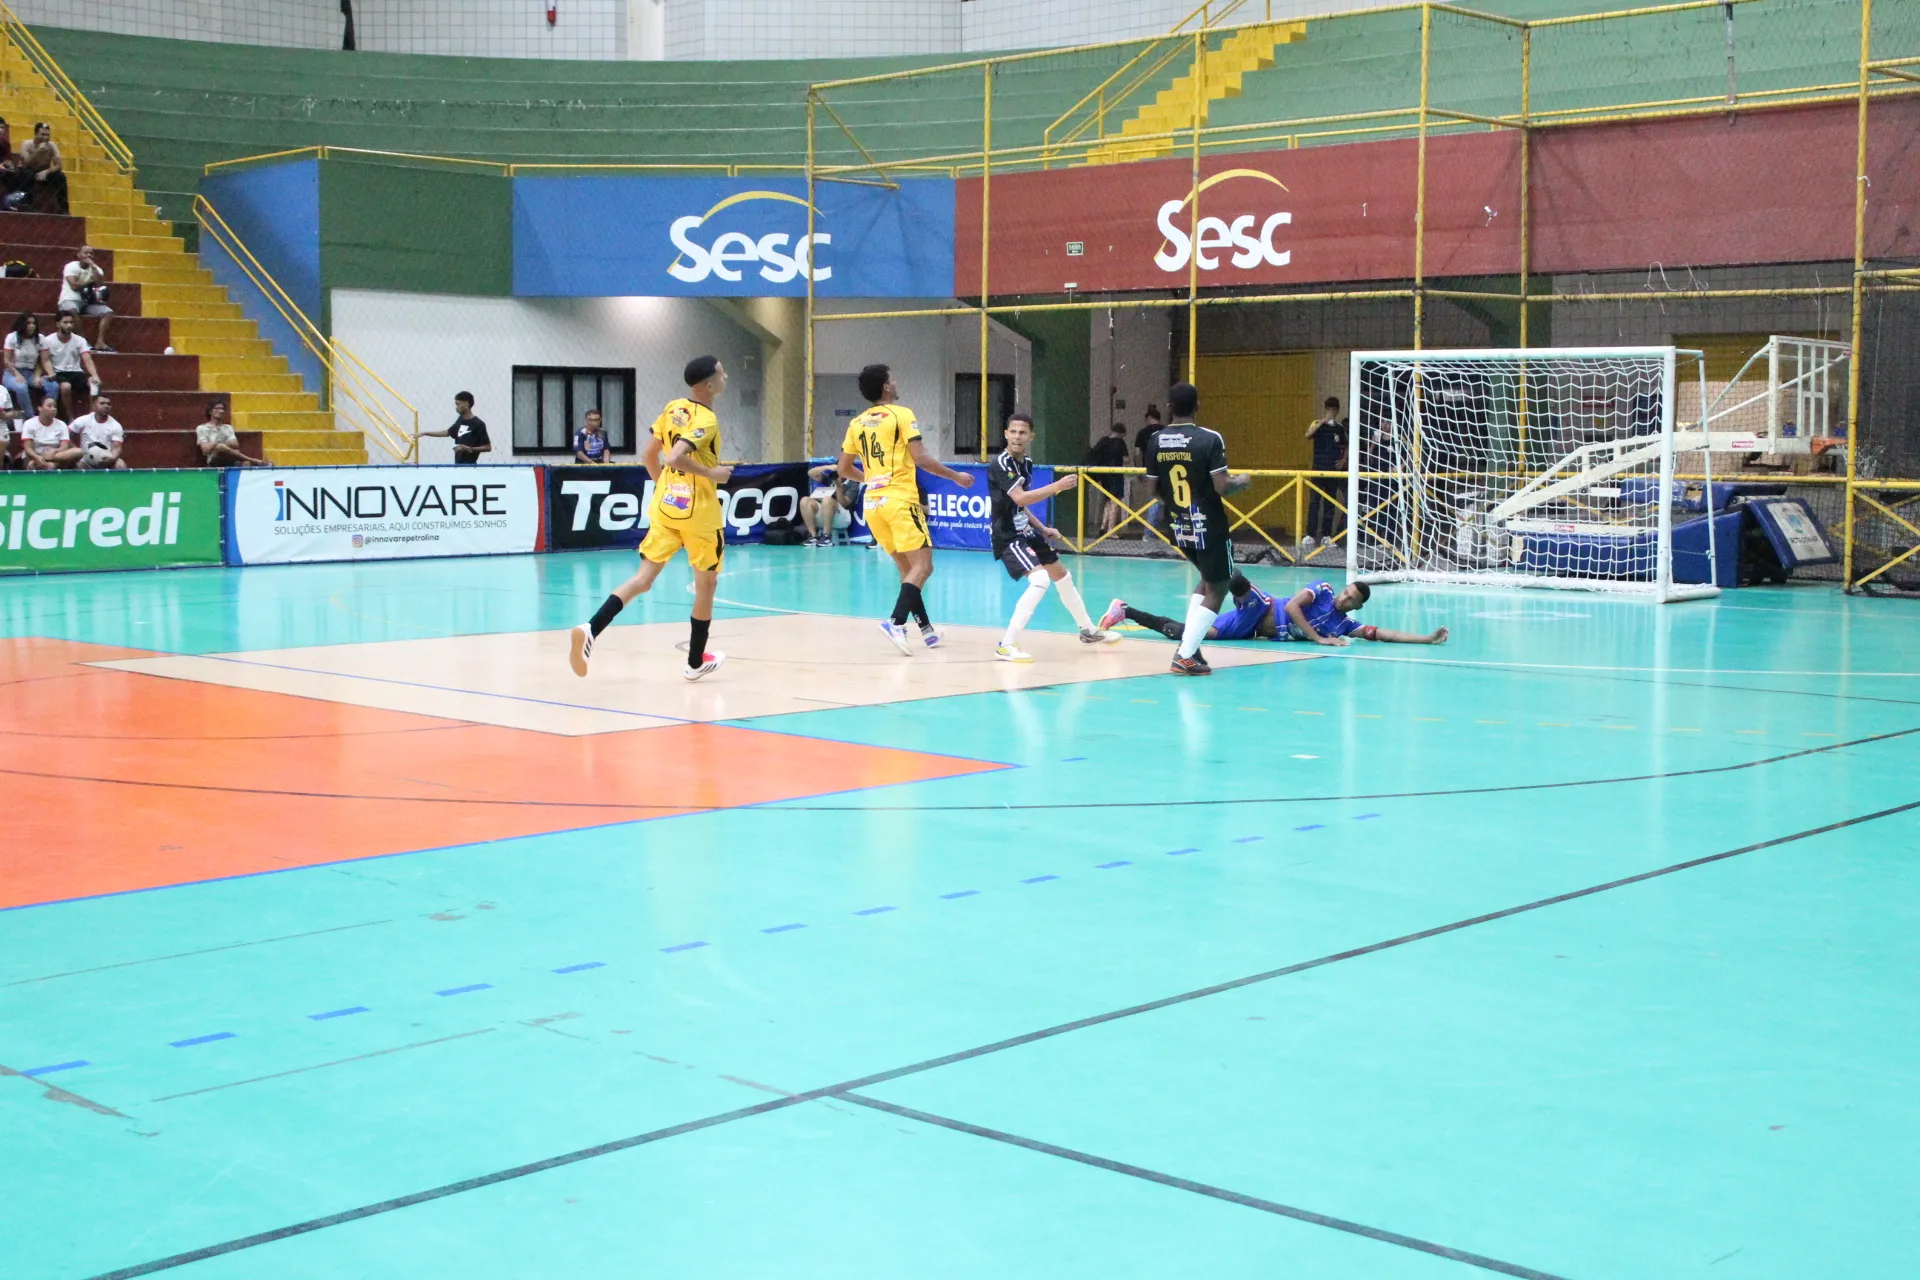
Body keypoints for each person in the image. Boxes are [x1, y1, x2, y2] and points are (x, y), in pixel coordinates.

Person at [569, 356, 732, 683]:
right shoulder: (707, 419)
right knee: (706, 585)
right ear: (708, 384)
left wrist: (664, 486)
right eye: (721, 372)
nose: (725, 376)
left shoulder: (673, 408)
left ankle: (591, 629)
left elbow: (649, 455)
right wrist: (712, 473)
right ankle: (695, 662)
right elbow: (674, 457)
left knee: (643, 579)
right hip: (699, 513)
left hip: (665, 505)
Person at [837, 362, 975, 655]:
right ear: (886, 387)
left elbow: (844, 468)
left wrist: (871, 479)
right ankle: (896, 622)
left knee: (908, 570)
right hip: (900, 501)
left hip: (873, 504)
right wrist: (955, 476)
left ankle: (927, 631)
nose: (897, 382)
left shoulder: (857, 423)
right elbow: (920, 458)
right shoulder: (901, 414)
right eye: (893, 379)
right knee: (923, 566)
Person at [1137, 381, 1250, 675]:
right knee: (1220, 586)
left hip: (1177, 523)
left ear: (1169, 408)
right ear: (1198, 405)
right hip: (1208, 523)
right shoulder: (1210, 439)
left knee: (1206, 580)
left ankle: (1190, 644)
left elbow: (1152, 490)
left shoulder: (1156, 440)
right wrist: (1241, 481)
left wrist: (1178, 505)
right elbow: (1222, 487)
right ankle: (1185, 656)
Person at [990, 413, 1119, 662]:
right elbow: (1019, 497)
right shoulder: (1001, 463)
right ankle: (1006, 644)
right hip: (1007, 535)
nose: (1017, 437)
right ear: (1006, 434)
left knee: (1062, 576)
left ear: (1031, 436)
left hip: (1025, 530)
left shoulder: (1026, 463)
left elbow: (1020, 506)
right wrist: (1057, 486)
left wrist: (1041, 528)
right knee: (1040, 580)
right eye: (1013, 432)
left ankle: (1087, 630)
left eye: (1022, 432)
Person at [1103, 574, 1447, 647]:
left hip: (1248, 628)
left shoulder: (1343, 624)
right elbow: (1294, 607)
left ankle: (1126, 611)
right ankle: (1212, 568)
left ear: (1357, 606)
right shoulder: (1324, 590)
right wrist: (1318, 639)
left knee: (1186, 633)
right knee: (1235, 580)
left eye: (1350, 599)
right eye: (1346, 592)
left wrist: (1426, 638)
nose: (1343, 598)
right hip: (1264, 606)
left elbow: (1383, 633)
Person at [1305, 396, 1348, 540]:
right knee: (1314, 502)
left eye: (1333, 410)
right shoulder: (1317, 423)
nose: (1331, 412)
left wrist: (1343, 460)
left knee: (1330, 503)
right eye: (1328, 409)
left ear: (1337, 411)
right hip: (1318, 469)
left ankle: (1326, 535)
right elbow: (1308, 434)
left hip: (1332, 471)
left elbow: (1346, 445)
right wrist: (1323, 421)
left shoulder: (1339, 428)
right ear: (1326, 410)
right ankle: (1310, 534)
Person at [58, 244, 114, 354]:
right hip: (69, 299)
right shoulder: (71, 266)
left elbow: (100, 284)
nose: (89, 255)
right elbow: (74, 286)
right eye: (85, 253)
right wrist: (89, 281)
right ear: (78, 255)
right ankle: (83, 343)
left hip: (87, 302)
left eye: (91, 253)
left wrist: (93, 266)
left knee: (108, 312)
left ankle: (100, 342)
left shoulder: (96, 269)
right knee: (71, 310)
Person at [43, 312, 98, 422]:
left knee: (94, 383)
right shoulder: (48, 340)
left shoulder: (79, 340)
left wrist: (95, 375)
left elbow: (87, 359)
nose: (69, 325)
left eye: (71, 322)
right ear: (58, 324)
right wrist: (50, 372)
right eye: (65, 322)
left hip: (76, 372)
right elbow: (45, 359)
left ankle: (92, 416)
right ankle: (70, 418)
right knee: (66, 387)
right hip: (59, 372)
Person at [1085, 421, 1131, 536]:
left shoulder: (1103, 441)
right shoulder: (1120, 442)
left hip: (1104, 474)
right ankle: (1111, 530)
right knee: (1115, 501)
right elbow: (1126, 459)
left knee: (1108, 501)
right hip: (1116, 474)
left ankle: (1103, 527)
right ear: (1121, 433)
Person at [419, 391, 490, 463]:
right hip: (457, 465)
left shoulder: (479, 424)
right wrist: (425, 433)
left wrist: (469, 449)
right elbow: (447, 433)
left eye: (458, 404)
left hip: (470, 466)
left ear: (467, 404)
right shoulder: (460, 420)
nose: (456, 407)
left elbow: (488, 447)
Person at [3, 310, 47, 418]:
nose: (32, 326)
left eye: (34, 323)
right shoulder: (12, 337)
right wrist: (17, 375)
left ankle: (46, 414)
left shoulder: (40, 338)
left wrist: (37, 376)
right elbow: (6, 361)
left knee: (53, 386)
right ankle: (30, 418)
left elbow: (43, 361)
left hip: (31, 372)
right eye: (28, 323)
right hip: (12, 372)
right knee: (21, 387)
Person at [196, 399, 262, 467]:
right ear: (210, 411)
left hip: (230, 457)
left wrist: (218, 445)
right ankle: (253, 460)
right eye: (218, 408)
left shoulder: (228, 427)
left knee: (246, 463)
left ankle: (249, 461)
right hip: (214, 459)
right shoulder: (202, 428)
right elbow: (205, 450)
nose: (221, 411)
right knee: (220, 447)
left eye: (223, 409)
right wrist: (218, 445)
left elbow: (235, 444)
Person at [19, 122, 67, 215]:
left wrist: (47, 171)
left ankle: (63, 208)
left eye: (48, 135)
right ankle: (28, 206)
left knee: (60, 176)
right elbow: (26, 163)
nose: (45, 137)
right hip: (30, 170)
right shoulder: (27, 144)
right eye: (43, 134)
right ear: (36, 134)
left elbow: (59, 165)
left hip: (44, 172)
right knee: (26, 174)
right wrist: (37, 151)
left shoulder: (51, 145)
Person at [1131, 404, 1164, 538]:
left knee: (1154, 500)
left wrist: (1139, 469)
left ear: (1148, 418)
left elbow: (1137, 453)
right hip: (1166, 469)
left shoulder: (1142, 433)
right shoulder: (1166, 431)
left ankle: (1148, 534)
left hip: (1149, 469)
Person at [20, 395, 77, 470]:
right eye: (49, 406)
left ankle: (48, 462)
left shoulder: (62, 424)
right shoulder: (29, 423)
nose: (53, 409)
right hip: (33, 456)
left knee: (77, 451)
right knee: (35, 464)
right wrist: (36, 458)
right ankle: (42, 463)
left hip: (55, 456)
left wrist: (55, 451)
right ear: (40, 408)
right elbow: (28, 448)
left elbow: (64, 446)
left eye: (55, 406)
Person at [74, 392, 126, 470]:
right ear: (94, 406)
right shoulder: (82, 420)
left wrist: (112, 459)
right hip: (86, 459)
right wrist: (76, 450)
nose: (106, 406)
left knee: (120, 464)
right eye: (102, 403)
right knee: (78, 465)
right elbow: (67, 436)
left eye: (109, 404)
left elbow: (117, 447)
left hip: (107, 458)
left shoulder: (116, 425)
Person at [799, 461, 845, 547]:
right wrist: (828, 467)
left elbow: (845, 504)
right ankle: (813, 536)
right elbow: (810, 473)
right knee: (805, 500)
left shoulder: (852, 483)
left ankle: (826, 536)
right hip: (827, 512)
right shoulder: (831, 479)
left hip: (842, 516)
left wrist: (839, 486)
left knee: (827, 500)